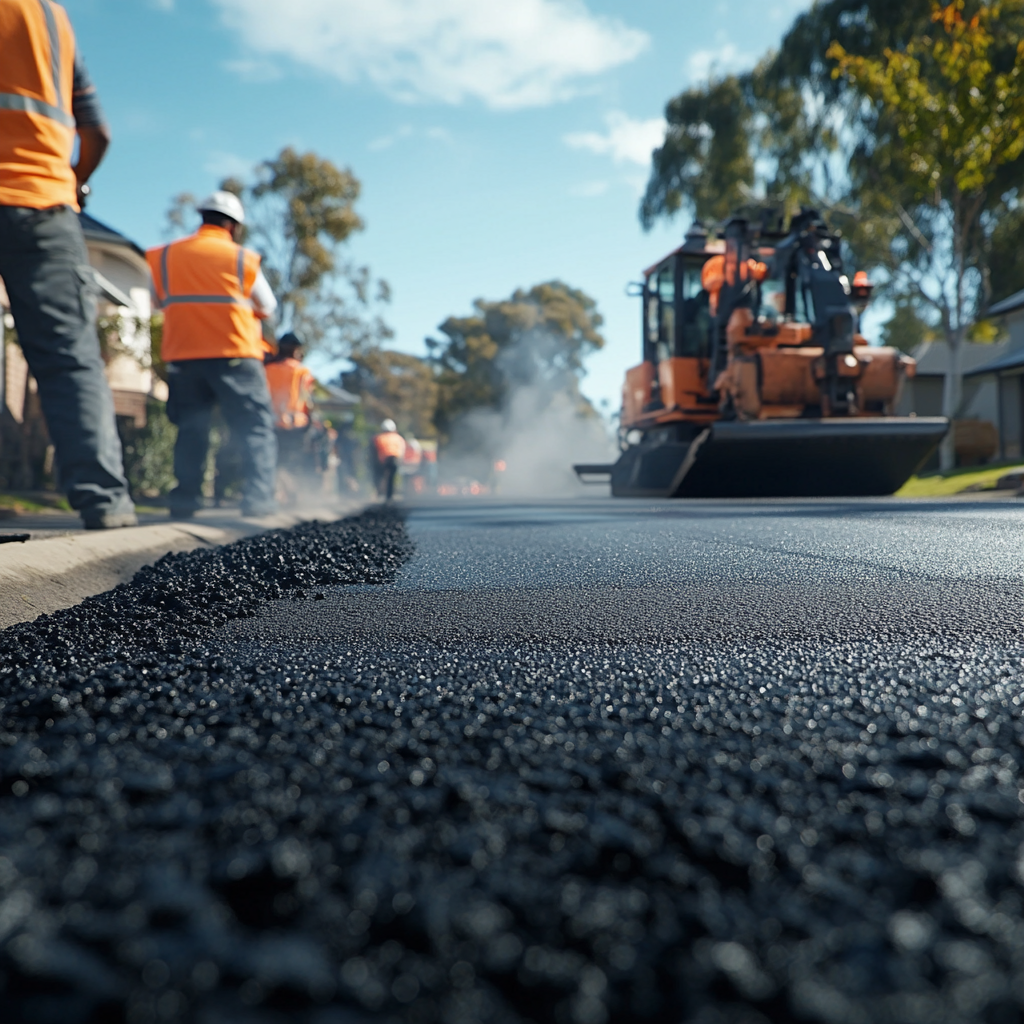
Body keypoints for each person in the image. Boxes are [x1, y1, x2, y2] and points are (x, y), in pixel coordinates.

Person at [0, 0, 136, 529]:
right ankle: (104, 500)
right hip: (45, 203)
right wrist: (73, 182)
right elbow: (97, 133)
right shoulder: (50, 17)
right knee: (70, 357)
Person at [146, 191, 278, 519]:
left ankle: (185, 501)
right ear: (233, 226)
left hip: (185, 356)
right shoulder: (240, 258)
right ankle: (257, 500)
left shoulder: (166, 256)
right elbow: (268, 306)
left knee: (192, 427)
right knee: (253, 426)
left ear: (201, 217)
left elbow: (156, 300)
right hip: (235, 353)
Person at [265, 331, 315, 466]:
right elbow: (307, 400)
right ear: (295, 349)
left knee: (271, 462)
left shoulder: (267, 368)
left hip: (271, 423)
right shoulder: (303, 371)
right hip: (296, 425)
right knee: (292, 465)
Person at [372, 418, 406, 501]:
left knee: (380, 476)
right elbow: (402, 449)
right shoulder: (398, 438)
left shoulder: (379, 438)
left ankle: (379, 492)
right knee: (391, 478)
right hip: (395, 459)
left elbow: (374, 451)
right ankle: (389, 496)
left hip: (383, 460)